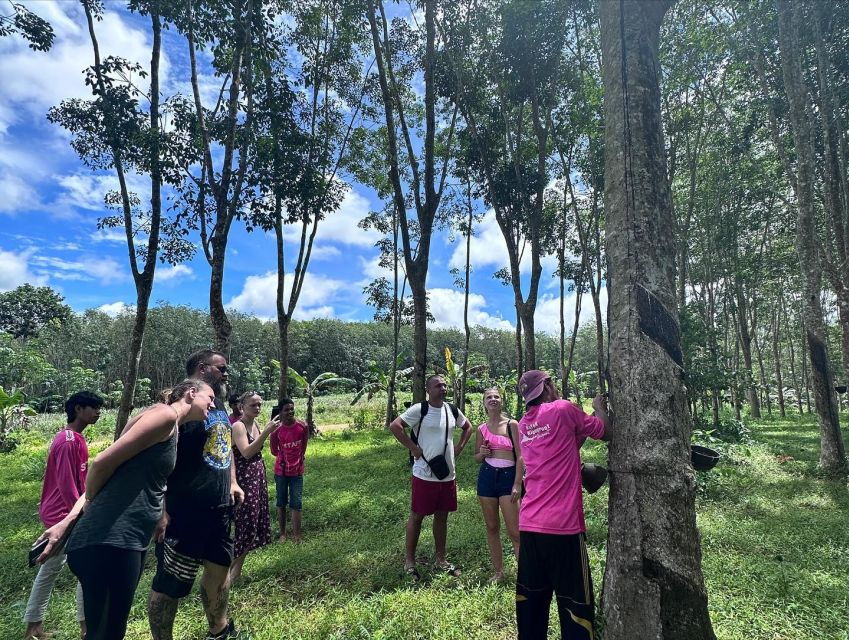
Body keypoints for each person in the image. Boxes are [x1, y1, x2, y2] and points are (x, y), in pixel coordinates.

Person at [44, 381, 215, 640]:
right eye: (209, 397)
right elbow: (101, 464)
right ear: (191, 394)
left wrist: (159, 513)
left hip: (122, 539)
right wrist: (82, 510)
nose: (213, 404)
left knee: (108, 630)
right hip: (110, 539)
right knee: (107, 633)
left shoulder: (168, 424)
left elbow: (132, 475)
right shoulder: (165, 416)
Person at [148, 350, 245, 640]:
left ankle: (219, 630)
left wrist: (233, 481)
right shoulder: (178, 405)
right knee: (171, 583)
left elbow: (224, 447)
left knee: (219, 570)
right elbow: (157, 460)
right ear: (202, 369)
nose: (226, 373)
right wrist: (160, 508)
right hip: (184, 510)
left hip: (220, 508)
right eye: (221, 368)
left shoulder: (217, 406)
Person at [513, 370, 610, 640]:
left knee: (531, 602)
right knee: (575, 607)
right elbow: (606, 431)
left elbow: (563, 446)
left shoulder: (524, 424)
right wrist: (599, 408)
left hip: (530, 525)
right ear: (546, 386)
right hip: (563, 529)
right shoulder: (564, 408)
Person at [23, 391, 102, 640]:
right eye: (94, 407)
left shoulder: (76, 438)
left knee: (59, 568)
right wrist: (79, 515)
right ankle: (81, 628)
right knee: (80, 568)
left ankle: (36, 626)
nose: (98, 412)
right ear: (78, 409)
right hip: (63, 513)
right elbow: (69, 486)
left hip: (66, 512)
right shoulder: (68, 440)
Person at [389, 374, 473, 580]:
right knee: (417, 516)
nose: (443, 388)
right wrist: (414, 449)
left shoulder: (452, 410)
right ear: (428, 389)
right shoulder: (420, 409)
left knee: (442, 516)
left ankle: (441, 559)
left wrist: (459, 447)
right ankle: (409, 561)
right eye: (438, 385)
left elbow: (468, 427)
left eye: (444, 385)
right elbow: (395, 426)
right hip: (424, 474)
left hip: (447, 474)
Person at [473, 387, 522, 583]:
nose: (492, 399)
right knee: (492, 526)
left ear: (501, 401)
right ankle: (499, 572)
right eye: (488, 397)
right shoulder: (481, 429)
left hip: (508, 478)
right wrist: (482, 454)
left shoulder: (512, 424)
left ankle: (525, 574)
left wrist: (517, 483)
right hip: (486, 477)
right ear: (484, 403)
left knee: (515, 531)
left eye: (496, 396)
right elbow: (476, 458)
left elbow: (521, 456)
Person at [229, 391, 280, 581]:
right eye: (253, 405)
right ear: (242, 407)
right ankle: (227, 571)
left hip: (257, 477)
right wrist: (266, 432)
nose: (258, 408)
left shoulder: (256, 424)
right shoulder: (238, 426)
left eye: (260, 404)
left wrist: (266, 432)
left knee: (256, 522)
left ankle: (235, 573)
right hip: (244, 479)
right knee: (246, 524)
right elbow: (247, 452)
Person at [269, 398, 308, 543]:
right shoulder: (276, 431)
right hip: (281, 472)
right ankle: (283, 534)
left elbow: (303, 446)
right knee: (281, 502)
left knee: (296, 502)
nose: (290, 412)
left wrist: (298, 460)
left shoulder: (302, 426)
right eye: (286, 409)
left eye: (292, 409)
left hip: (297, 472)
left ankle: (297, 534)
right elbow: (274, 450)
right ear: (280, 412)